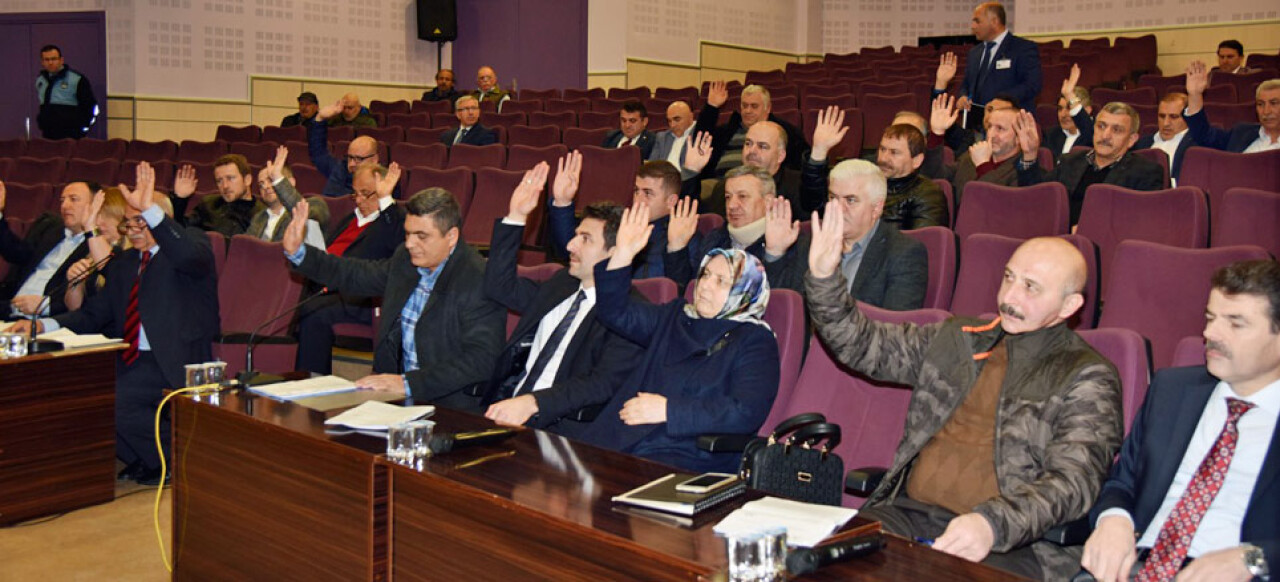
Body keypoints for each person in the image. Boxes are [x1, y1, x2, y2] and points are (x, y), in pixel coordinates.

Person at [805, 211, 1124, 579]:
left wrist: (992, 524)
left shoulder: (1087, 375)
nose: (1009, 296)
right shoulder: (959, 337)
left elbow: (1073, 482)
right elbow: (864, 345)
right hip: (909, 516)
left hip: (1015, 544)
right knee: (816, 570)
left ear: (1069, 307)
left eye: (1031, 287)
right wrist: (826, 279)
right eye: (1009, 278)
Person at [13, 162, 219, 486]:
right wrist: (42, 326)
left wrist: (151, 210)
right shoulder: (125, 264)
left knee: (119, 398)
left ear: (159, 219)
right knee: (88, 390)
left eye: (142, 221)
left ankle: (175, 458)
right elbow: (93, 315)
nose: (134, 229)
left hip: (175, 358)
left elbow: (187, 255)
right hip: (133, 356)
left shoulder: (191, 246)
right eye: (129, 224)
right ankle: (143, 457)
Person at [1079, 259, 1280, 582]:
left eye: (1235, 323)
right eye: (1211, 318)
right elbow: (1121, 483)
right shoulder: (1172, 391)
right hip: (1134, 567)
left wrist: (1253, 559)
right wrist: (1114, 520)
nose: (1210, 333)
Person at [576, 202, 779, 473]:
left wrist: (669, 410)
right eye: (705, 274)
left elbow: (745, 411)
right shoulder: (675, 316)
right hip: (623, 440)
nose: (705, 285)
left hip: (687, 454)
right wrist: (623, 254)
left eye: (721, 281)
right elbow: (615, 312)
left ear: (746, 291)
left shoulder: (755, 340)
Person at [281, 189, 505, 409]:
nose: (409, 244)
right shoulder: (405, 260)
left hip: (448, 405)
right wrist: (300, 253)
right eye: (408, 233)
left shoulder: (478, 279)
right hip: (395, 397)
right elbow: (355, 273)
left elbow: (481, 360)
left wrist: (408, 384)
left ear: (451, 236)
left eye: (421, 236)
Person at [481, 162, 643, 437]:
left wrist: (533, 403)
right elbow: (499, 287)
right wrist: (516, 215)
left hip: (559, 427)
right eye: (575, 235)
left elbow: (600, 384)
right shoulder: (562, 284)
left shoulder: (632, 312)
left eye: (585, 239)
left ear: (616, 251)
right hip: (507, 409)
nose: (570, 245)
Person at [763, 159, 927, 309]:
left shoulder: (903, 252)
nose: (838, 208)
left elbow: (893, 328)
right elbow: (779, 310)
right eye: (833, 197)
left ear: (876, 208)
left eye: (851, 200)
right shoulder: (813, 242)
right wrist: (775, 253)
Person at [292, 162, 406, 375]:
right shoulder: (350, 219)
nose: (360, 200)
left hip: (361, 296)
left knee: (314, 311)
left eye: (366, 194)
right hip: (330, 288)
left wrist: (386, 201)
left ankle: (309, 380)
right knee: (295, 303)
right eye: (355, 194)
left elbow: (398, 241)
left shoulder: (391, 220)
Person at [548, 155, 696, 279]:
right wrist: (562, 202)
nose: (638, 199)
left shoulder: (686, 235)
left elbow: (679, 288)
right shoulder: (620, 221)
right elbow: (570, 250)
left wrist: (676, 249)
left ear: (671, 201)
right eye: (636, 191)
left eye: (648, 193)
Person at [1014, 104, 1164, 226]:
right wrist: (1030, 154)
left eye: (1116, 130)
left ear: (1132, 139)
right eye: (1101, 126)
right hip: (1057, 240)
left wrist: (1087, 230)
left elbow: (1138, 224)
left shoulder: (1146, 172)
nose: (1106, 135)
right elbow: (1037, 198)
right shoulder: (1070, 161)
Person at [664, 165, 779, 291]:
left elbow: (780, 298)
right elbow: (687, 293)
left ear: (768, 201)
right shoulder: (715, 239)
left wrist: (774, 255)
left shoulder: (787, 243)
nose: (732, 205)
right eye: (728, 197)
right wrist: (677, 249)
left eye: (742, 196)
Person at [0, 180, 94, 318]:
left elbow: (89, 301)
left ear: (95, 206)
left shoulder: (96, 246)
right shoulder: (49, 227)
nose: (65, 206)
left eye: (73, 199)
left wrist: (45, 305)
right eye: (62, 200)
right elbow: (17, 254)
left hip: (49, 321)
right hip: (9, 311)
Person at [693, 121, 816, 218]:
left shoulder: (798, 185)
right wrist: (692, 171)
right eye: (748, 143)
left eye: (762, 146)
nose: (752, 151)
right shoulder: (725, 187)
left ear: (780, 156)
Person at [951, 2, 1042, 125]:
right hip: (977, 125)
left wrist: (1003, 100)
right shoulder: (974, 53)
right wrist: (963, 96)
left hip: (1010, 125)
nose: (973, 26)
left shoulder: (1023, 48)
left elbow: (1032, 85)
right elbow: (966, 85)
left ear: (994, 21)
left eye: (977, 21)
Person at [692, 82, 808, 177]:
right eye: (744, 105)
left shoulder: (785, 132)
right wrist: (712, 107)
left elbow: (800, 164)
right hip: (719, 184)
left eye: (754, 106)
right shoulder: (728, 130)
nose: (748, 110)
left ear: (767, 108)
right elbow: (700, 142)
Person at [930, 94, 1024, 199]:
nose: (991, 134)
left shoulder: (1025, 170)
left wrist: (983, 165)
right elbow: (935, 178)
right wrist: (937, 135)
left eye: (1000, 128)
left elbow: (997, 204)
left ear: (1019, 137)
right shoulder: (971, 157)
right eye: (989, 127)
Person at [1183, 61, 1280, 153]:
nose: (1266, 111)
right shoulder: (1242, 133)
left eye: (1274, 103)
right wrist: (1195, 95)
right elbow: (1203, 135)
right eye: (1260, 104)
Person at [246, 146, 328, 247]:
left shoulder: (315, 204)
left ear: (291, 182)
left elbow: (303, 211)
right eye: (261, 184)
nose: (266, 187)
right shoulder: (259, 217)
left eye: (271, 180)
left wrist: (278, 181)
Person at [64, 187, 128, 312]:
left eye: (106, 216)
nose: (98, 222)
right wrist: (74, 284)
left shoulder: (131, 255)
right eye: (96, 215)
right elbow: (74, 307)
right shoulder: (89, 251)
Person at [171, 154, 265, 237]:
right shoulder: (208, 204)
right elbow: (179, 231)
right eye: (219, 181)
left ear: (247, 180)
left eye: (230, 178)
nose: (225, 186)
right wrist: (180, 199)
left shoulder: (262, 214)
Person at [307, 103, 385, 197]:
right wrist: (319, 119)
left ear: (374, 159)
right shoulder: (340, 169)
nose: (352, 164)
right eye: (350, 158)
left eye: (359, 159)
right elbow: (318, 153)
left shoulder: (384, 181)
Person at [35, 44, 97, 139]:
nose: (50, 62)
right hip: (48, 135)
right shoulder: (40, 81)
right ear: (42, 62)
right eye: (46, 60)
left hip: (72, 136)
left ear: (61, 60)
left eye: (54, 59)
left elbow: (90, 106)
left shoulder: (76, 79)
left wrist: (83, 127)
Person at [1134, 92, 1195, 181]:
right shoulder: (1141, 143)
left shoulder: (1196, 145)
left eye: (1173, 117)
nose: (1166, 123)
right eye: (1162, 116)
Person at [1045, 65, 1095, 163]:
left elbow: (1087, 127)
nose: (1063, 114)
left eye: (1069, 108)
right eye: (1060, 109)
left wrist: (1069, 95)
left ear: (1087, 110)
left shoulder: (1094, 133)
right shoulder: (1052, 134)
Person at [648, 101, 699, 179]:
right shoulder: (662, 137)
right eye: (669, 121)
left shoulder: (699, 135)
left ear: (691, 117)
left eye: (677, 119)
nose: (672, 125)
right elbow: (651, 166)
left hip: (687, 181)